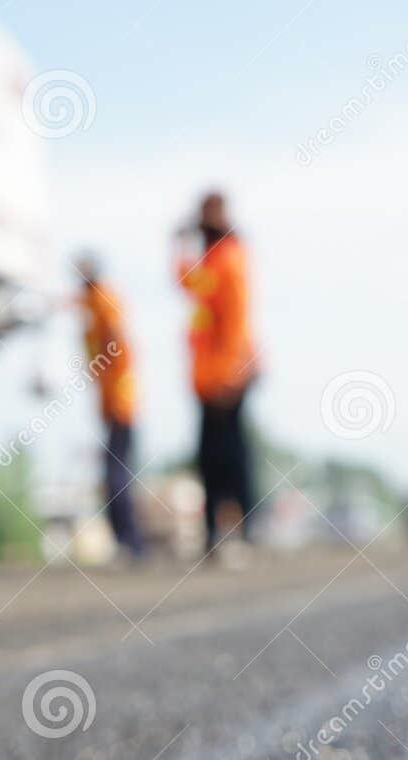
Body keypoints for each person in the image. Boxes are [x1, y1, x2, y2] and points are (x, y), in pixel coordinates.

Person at [176, 191, 258, 559]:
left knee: (231, 456)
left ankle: (243, 530)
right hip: (208, 379)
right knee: (211, 457)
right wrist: (180, 249)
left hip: (226, 378)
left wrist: (231, 375)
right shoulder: (213, 261)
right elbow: (189, 284)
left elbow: (237, 323)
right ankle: (215, 532)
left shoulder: (230, 258)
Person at [75, 254, 145, 559]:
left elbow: (116, 343)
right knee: (112, 472)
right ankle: (125, 540)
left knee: (116, 473)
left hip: (122, 403)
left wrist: (112, 394)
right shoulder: (90, 303)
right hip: (111, 402)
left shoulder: (104, 300)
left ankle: (130, 541)